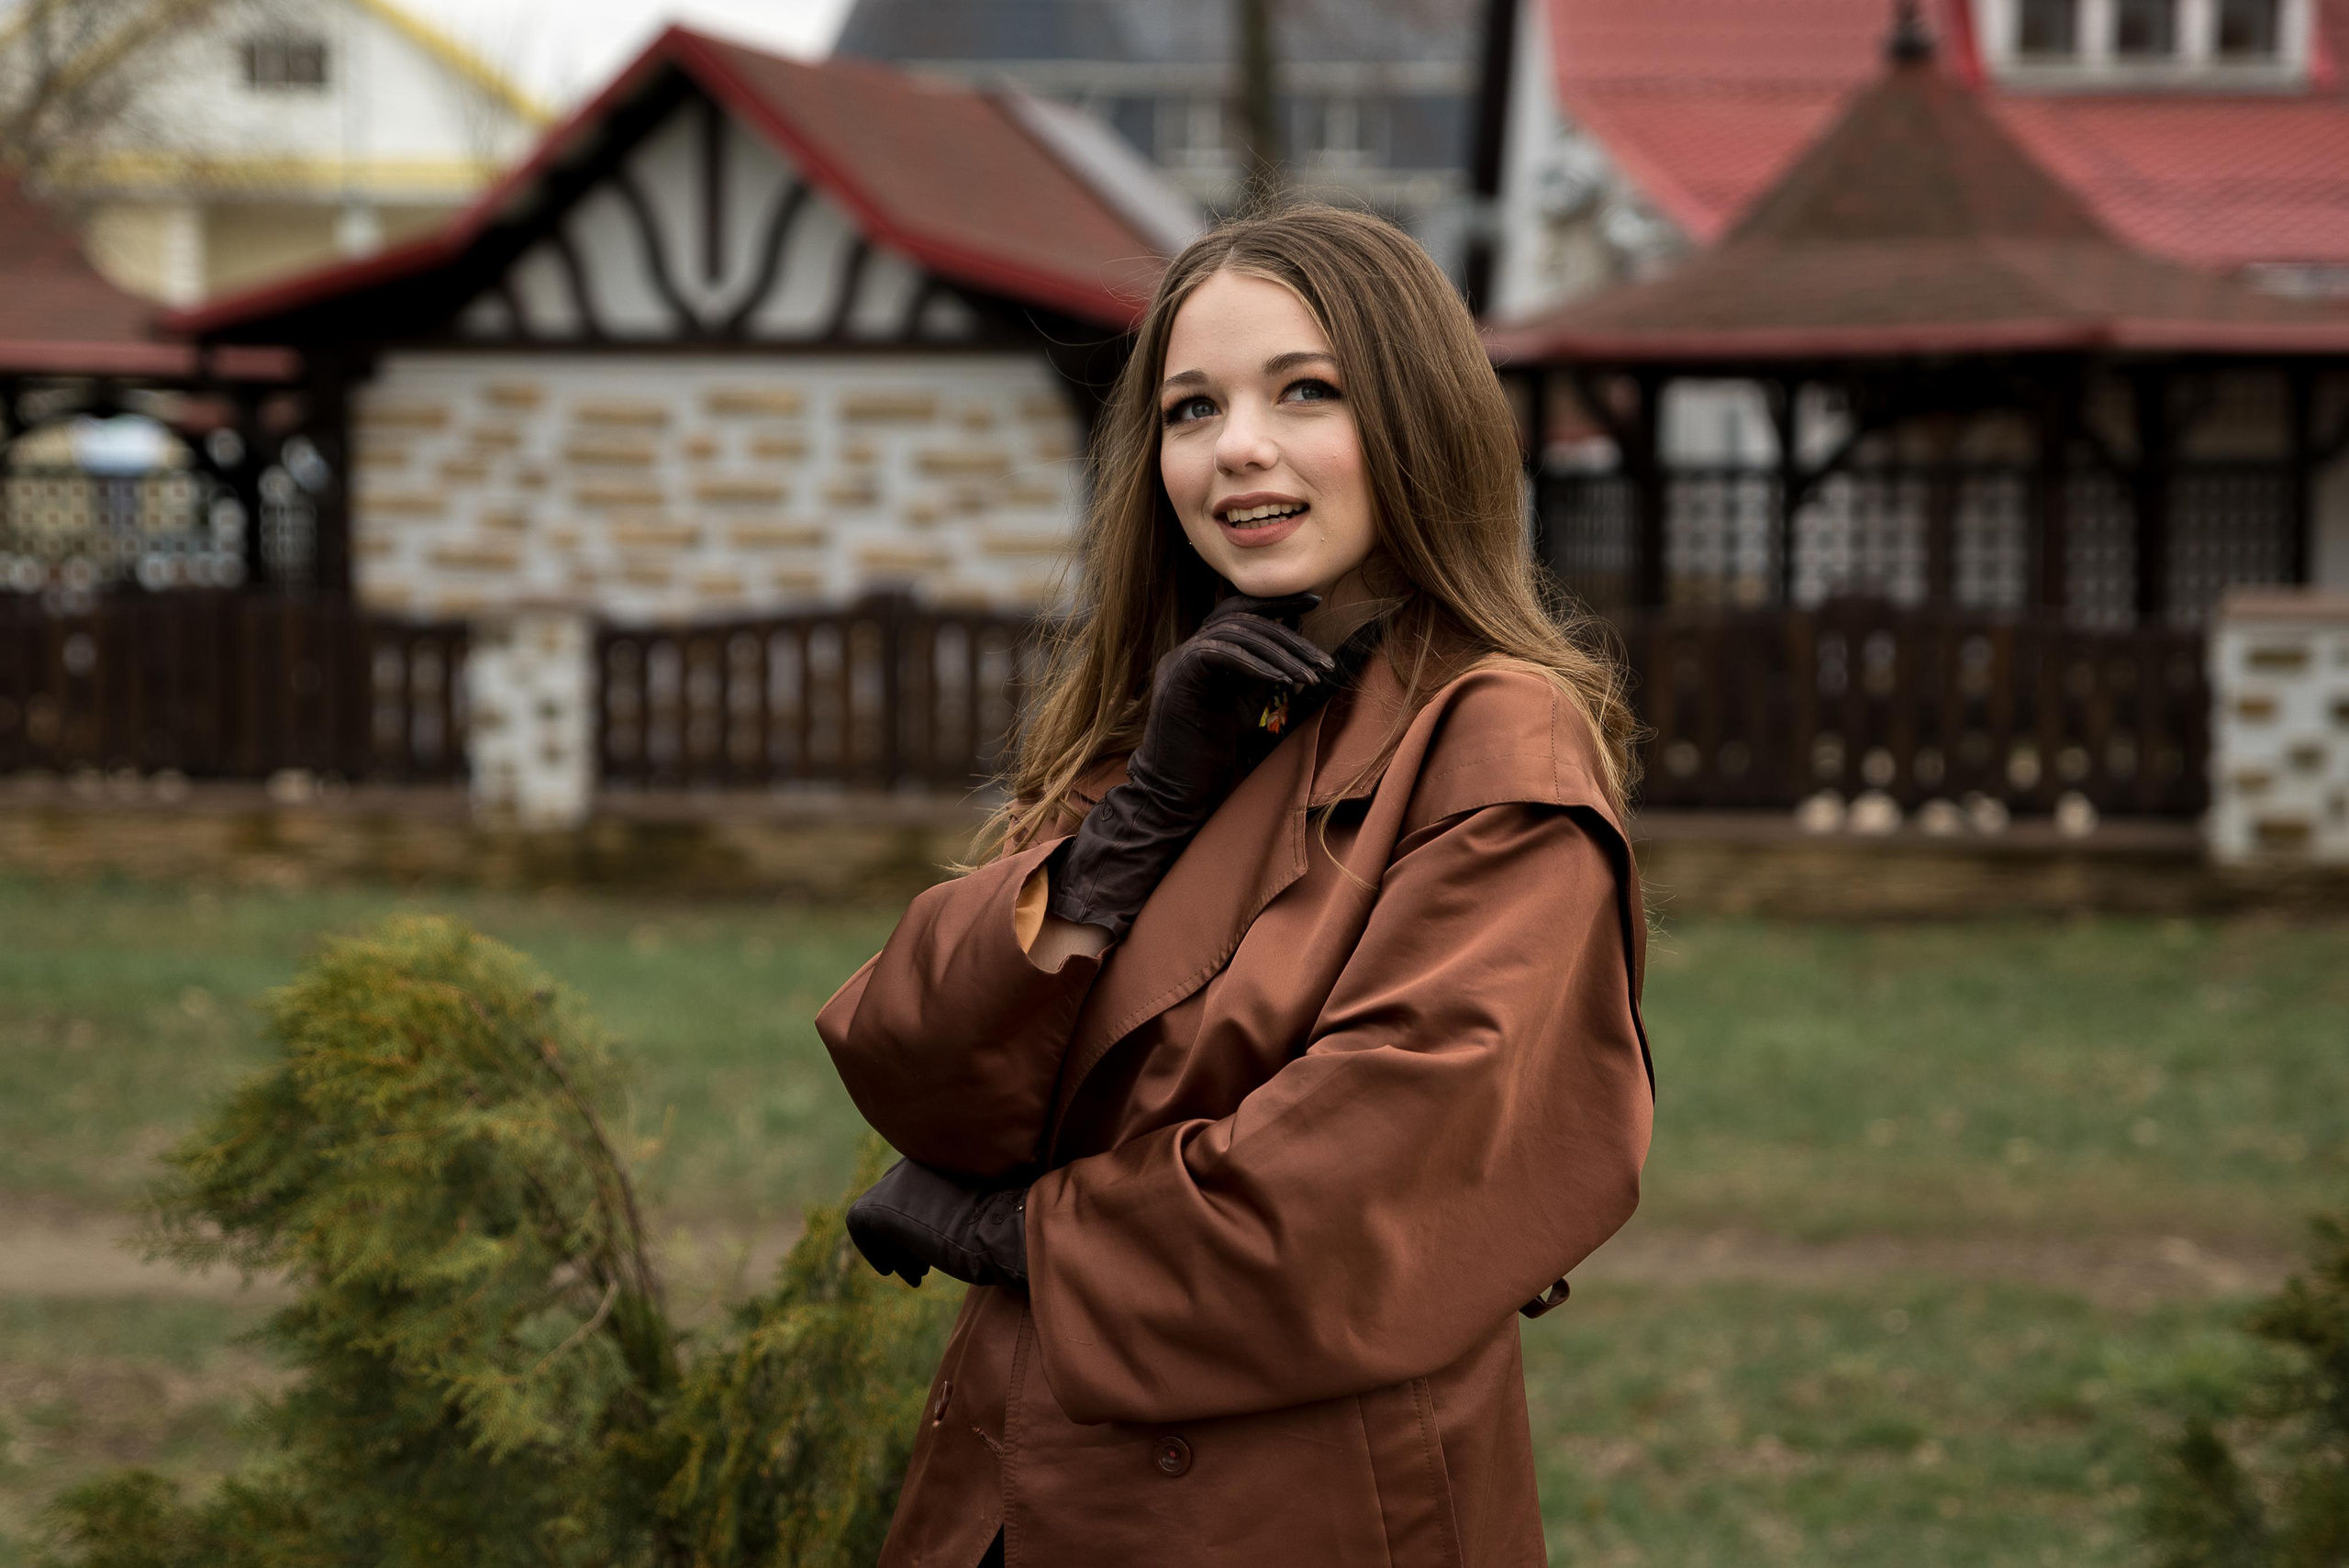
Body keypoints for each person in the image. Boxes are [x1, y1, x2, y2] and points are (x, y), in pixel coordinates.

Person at [816, 204, 1654, 1568]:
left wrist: (1005, 1226)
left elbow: (1349, 1203)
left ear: (1419, 419)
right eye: (1191, 408)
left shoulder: (1496, 742)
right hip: (1015, 1492)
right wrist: (1141, 814)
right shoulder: (1176, 726)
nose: (1238, 446)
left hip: (1292, 1506)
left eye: (1305, 391)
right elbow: (917, 1066)